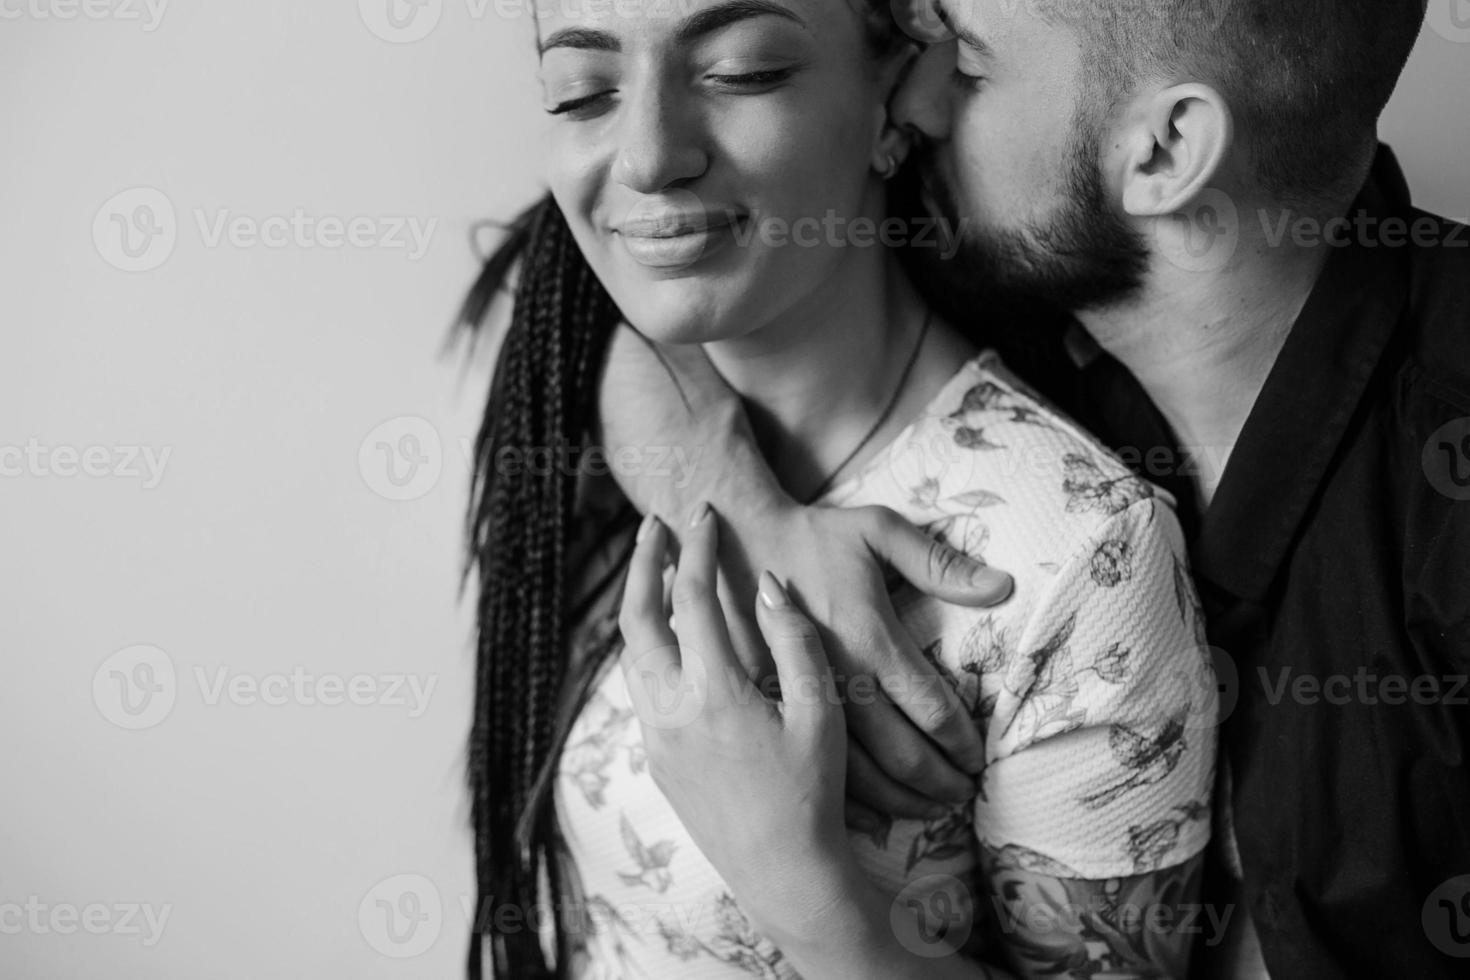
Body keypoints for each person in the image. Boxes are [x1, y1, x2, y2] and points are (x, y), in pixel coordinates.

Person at [592, 0, 1470, 977]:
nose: (911, 103)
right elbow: (628, 286)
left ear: (1165, 152)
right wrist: (759, 523)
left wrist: (804, 891)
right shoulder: (1008, 257)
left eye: (965, 66)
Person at [456, 0, 1219, 976]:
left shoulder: (1073, 555)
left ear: (896, 96)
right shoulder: (574, 378)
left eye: (740, 72)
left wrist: (798, 880)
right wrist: (746, 513)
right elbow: (539, 258)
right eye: (584, 92)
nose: (647, 157)